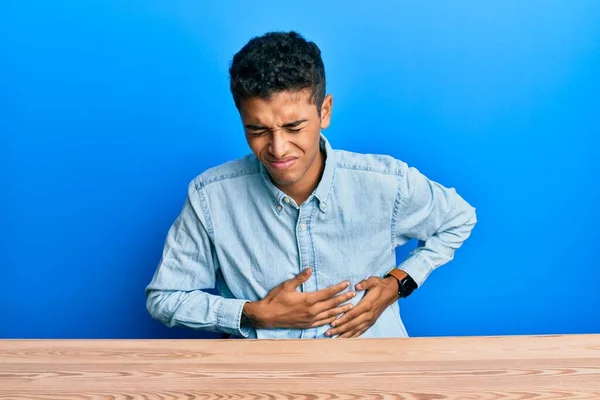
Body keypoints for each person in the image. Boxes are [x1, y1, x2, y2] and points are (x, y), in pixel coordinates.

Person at [145, 31, 477, 339]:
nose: (278, 148)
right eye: (258, 130)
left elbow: (459, 218)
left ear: (325, 111)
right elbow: (164, 298)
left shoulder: (386, 183)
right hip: (263, 384)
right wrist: (254, 314)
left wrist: (399, 283)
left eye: (294, 126)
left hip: (371, 380)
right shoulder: (211, 196)